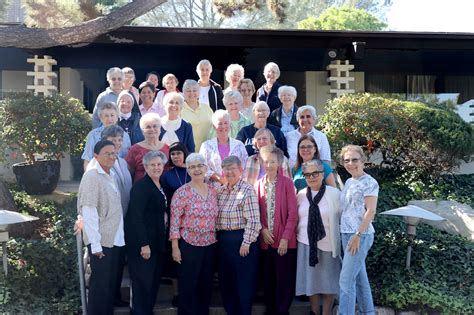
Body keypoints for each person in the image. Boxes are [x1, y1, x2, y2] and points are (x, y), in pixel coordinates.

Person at [77, 140, 125, 315]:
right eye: (107, 153)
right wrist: (95, 245)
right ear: (96, 156)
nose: (112, 156)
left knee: (109, 288)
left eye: (114, 153)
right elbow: (88, 211)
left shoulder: (110, 173)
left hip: (115, 239)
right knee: (100, 289)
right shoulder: (92, 176)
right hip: (101, 242)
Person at [169, 153, 219, 315]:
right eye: (192, 167)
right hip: (188, 245)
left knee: (205, 285)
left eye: (200, 165)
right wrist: (175, 247)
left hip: (210, 244)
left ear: (206, 168)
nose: (196, 169)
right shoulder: (182, 192)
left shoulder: (213, 191)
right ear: (188, 171)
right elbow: (174, 222)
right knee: (188, 285)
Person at [255, 145, 298, 315]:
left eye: (272, 161)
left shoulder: (287, 183)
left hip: (285, 242)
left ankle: (282, 311)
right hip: (266, 240)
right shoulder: (258, 184)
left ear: (279, 163)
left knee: (284, 280)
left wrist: (285, 239)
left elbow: (293, 213)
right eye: (266, 161)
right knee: (268, 279)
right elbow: (255, 212)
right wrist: (262, 230)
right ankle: (270, 310)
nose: (269, 165)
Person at [125, 150, 168, 315]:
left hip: (156, 243)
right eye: (152, 165)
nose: (157, 167)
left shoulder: (160, 184)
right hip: (143, 245)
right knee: (142, 285)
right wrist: (144, 244)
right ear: (145, 167)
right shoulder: (141, 187)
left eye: (159, 164)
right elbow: (136, 218)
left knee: (152, 285)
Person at [295, 159, 341, 315]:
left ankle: (326, 312)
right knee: (311, 282)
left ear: (322, 174)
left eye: (315, 173)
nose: (311, 177)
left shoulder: (334, 194)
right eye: (307, 174)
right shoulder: (300, 195)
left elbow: (345, 216)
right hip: (306, 243)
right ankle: (314, 312)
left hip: (328, 243)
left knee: (329, 281)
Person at [216, 155, 261, 315]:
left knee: (243, 283)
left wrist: (246, 242)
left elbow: (254, 221)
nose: (229, 172)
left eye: (232, 168)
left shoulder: (247, 189)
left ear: (241, 170)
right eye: (226, 169)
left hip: (242, 240)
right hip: (223, 241)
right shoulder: (220, 191)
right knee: (226, 282)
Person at [338, 145, 379, 315]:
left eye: (354, 159)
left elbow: (371, 211)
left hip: (359, 235)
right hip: (346, 233)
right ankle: (368, 312)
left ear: (362, 160)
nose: (350, 163)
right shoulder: (348, 181)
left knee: (346, 281)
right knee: (360, 279)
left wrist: (358, 235)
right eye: (347, 160)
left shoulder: (370, 182)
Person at [199, 110, 248, 185]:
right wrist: (220, 179)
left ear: (230, 124)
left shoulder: (239, 145)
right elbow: (202, 167)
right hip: (213, 188)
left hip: (236, 187)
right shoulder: (206, 146)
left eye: (226, 123)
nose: (223, 126)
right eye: (220, 124)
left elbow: (244, 167)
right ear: (214, 126)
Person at [82, 102, 131, 170]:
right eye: (106, 116)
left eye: (112, 115)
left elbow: (128, 159)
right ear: (101, 118)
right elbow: (87, 160)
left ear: (117, 117)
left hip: (120, 173)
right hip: (98, 172)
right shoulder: (93, 135)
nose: (109, 118)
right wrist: (88, 176)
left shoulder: (125, 135)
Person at [125, 113, 170, 183]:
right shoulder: (134, 149)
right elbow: (128, 173)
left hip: (166, 189)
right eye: (148, 127)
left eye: (155, 126)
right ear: (142, 131)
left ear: (160, 129)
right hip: (142, 190)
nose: (152, 129)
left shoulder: (168, 148)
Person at [181, 79, 214, 152]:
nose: (192, 93)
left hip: (207, 151)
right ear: (183, 93)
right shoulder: (179, 109)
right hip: (188, 152)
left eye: (194, 90)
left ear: (199, 92)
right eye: (188, 90)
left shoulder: (207, 108)